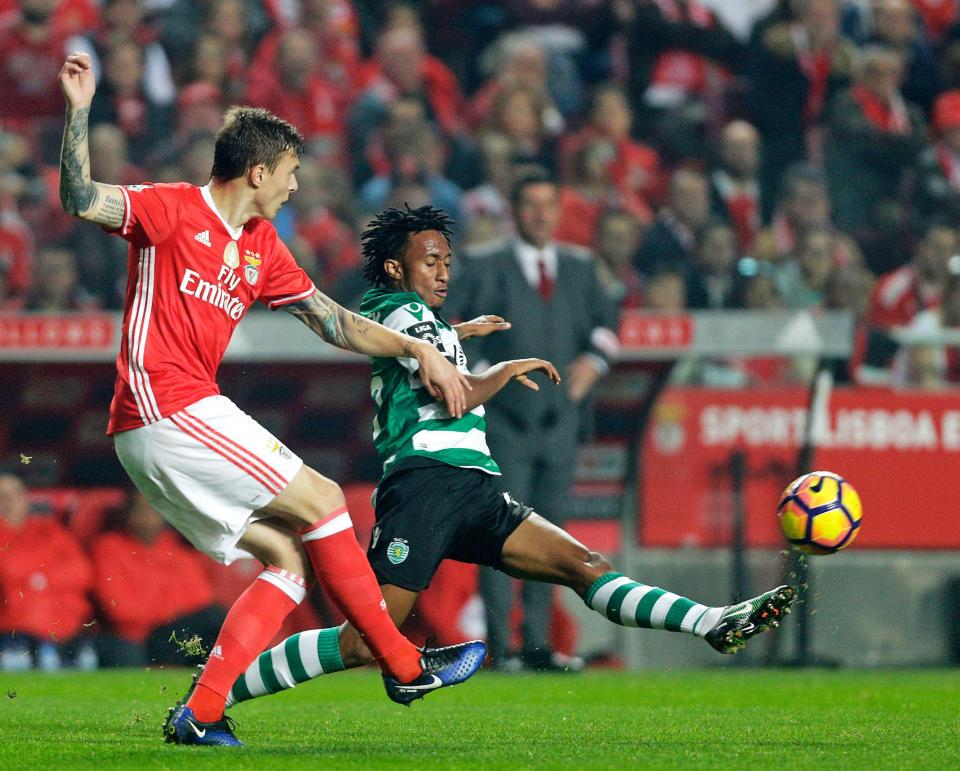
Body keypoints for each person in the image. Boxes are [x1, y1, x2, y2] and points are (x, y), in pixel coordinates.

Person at [57, 52, 484, 748]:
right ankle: (403, 663)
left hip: (168, 425)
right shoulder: (170, 207)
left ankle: (200, 710)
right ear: (258, 171)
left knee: (287, 561)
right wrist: (78, 111)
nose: (293, 187)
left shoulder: (262, 247)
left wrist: (418, 346)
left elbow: (335, 321)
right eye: (289, 174)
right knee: (322, 499)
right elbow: (80, 199)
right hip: (165, 406)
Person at [220, 204, 796, 707]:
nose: (444, 271)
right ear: (397, 268)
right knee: (361, 640)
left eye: (447, 260)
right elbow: (455, 396)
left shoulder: (426, 320)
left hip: (475, 487)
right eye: (430, 262)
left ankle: (713, 623)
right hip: (423, 485)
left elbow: (435, 348)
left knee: (584, 565)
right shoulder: (393, 311)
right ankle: (218, 689)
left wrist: (461, 332)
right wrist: (505, 367)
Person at [91, 491, 227, 667]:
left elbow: (202, 599)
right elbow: (120, 610)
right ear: (128, 515)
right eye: (141, 511)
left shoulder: (174, 548)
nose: (148, 518)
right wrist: (171, 609)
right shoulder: (108, 548)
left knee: (218, 620)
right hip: (137, 639)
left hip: (174, 635)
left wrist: (162, 609)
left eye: (154, 511)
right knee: (213, 618)